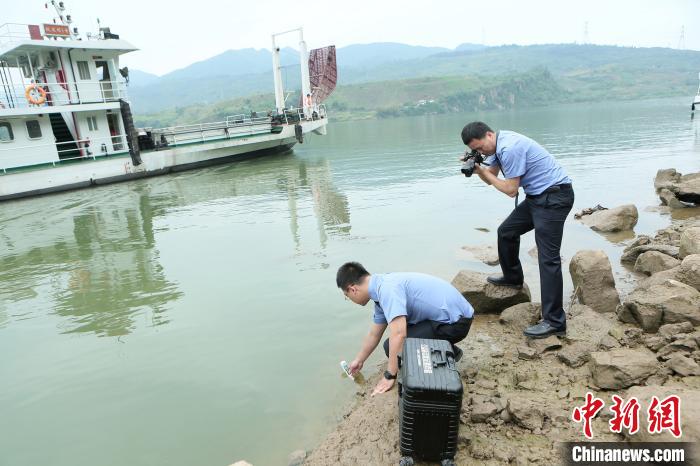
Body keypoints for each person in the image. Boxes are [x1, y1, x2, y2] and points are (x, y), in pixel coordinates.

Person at [461, 121, 574, 339]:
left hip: (554, 198)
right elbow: (490, 177)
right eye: (475, 150)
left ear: (489, 134)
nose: (480, 151)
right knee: (506, 232)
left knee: (548, 259)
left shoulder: (509, 148)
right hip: (537, 198)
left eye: (480, 147)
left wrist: (485, 171)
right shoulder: (496, 146)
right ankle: (513, 278)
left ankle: (555, 322)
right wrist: (476, 167)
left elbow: (510, 190)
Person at [336, 262, 474, 395]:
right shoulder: (381, 287)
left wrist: (389, 375)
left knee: (392, 347)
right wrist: (359, 360)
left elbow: (399, 334)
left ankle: (446, 352)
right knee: (391, 347)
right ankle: (448, 350)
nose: (350, 299)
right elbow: (374, 334)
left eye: (347, 296)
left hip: (456, 324)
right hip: (451, 317)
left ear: (352, 289)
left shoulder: (387, 290)